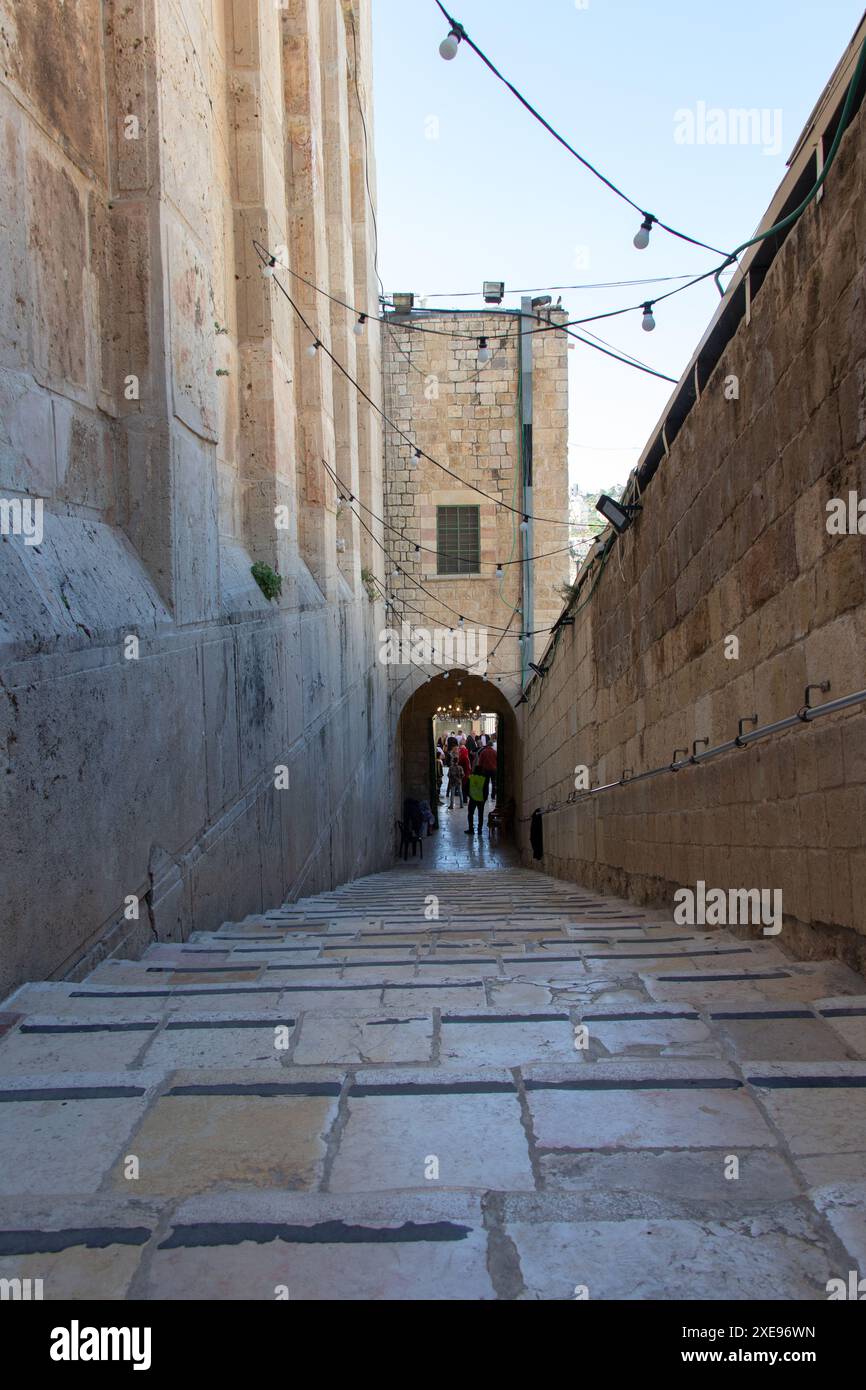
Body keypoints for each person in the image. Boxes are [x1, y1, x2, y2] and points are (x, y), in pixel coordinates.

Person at [465, 767, 488, 835]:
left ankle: (471, 829)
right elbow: (486, 790)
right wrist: (484, 799)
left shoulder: (471, 777)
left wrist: (469, 795)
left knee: (470, 814)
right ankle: (479, 830)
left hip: (472, 799)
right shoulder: (484, 779)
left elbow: (466, 788)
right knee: (480, 815)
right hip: (481, 800)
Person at [476, 737, 497, 804]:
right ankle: (493, 797)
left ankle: (486, 796)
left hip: (485, 770)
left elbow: (480, 762)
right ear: (492, 745)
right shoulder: (494, 752)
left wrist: (479, 769)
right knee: (494, 783)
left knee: (486, 784)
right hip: (493, 770)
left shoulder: (483, 752)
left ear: (487, 745)